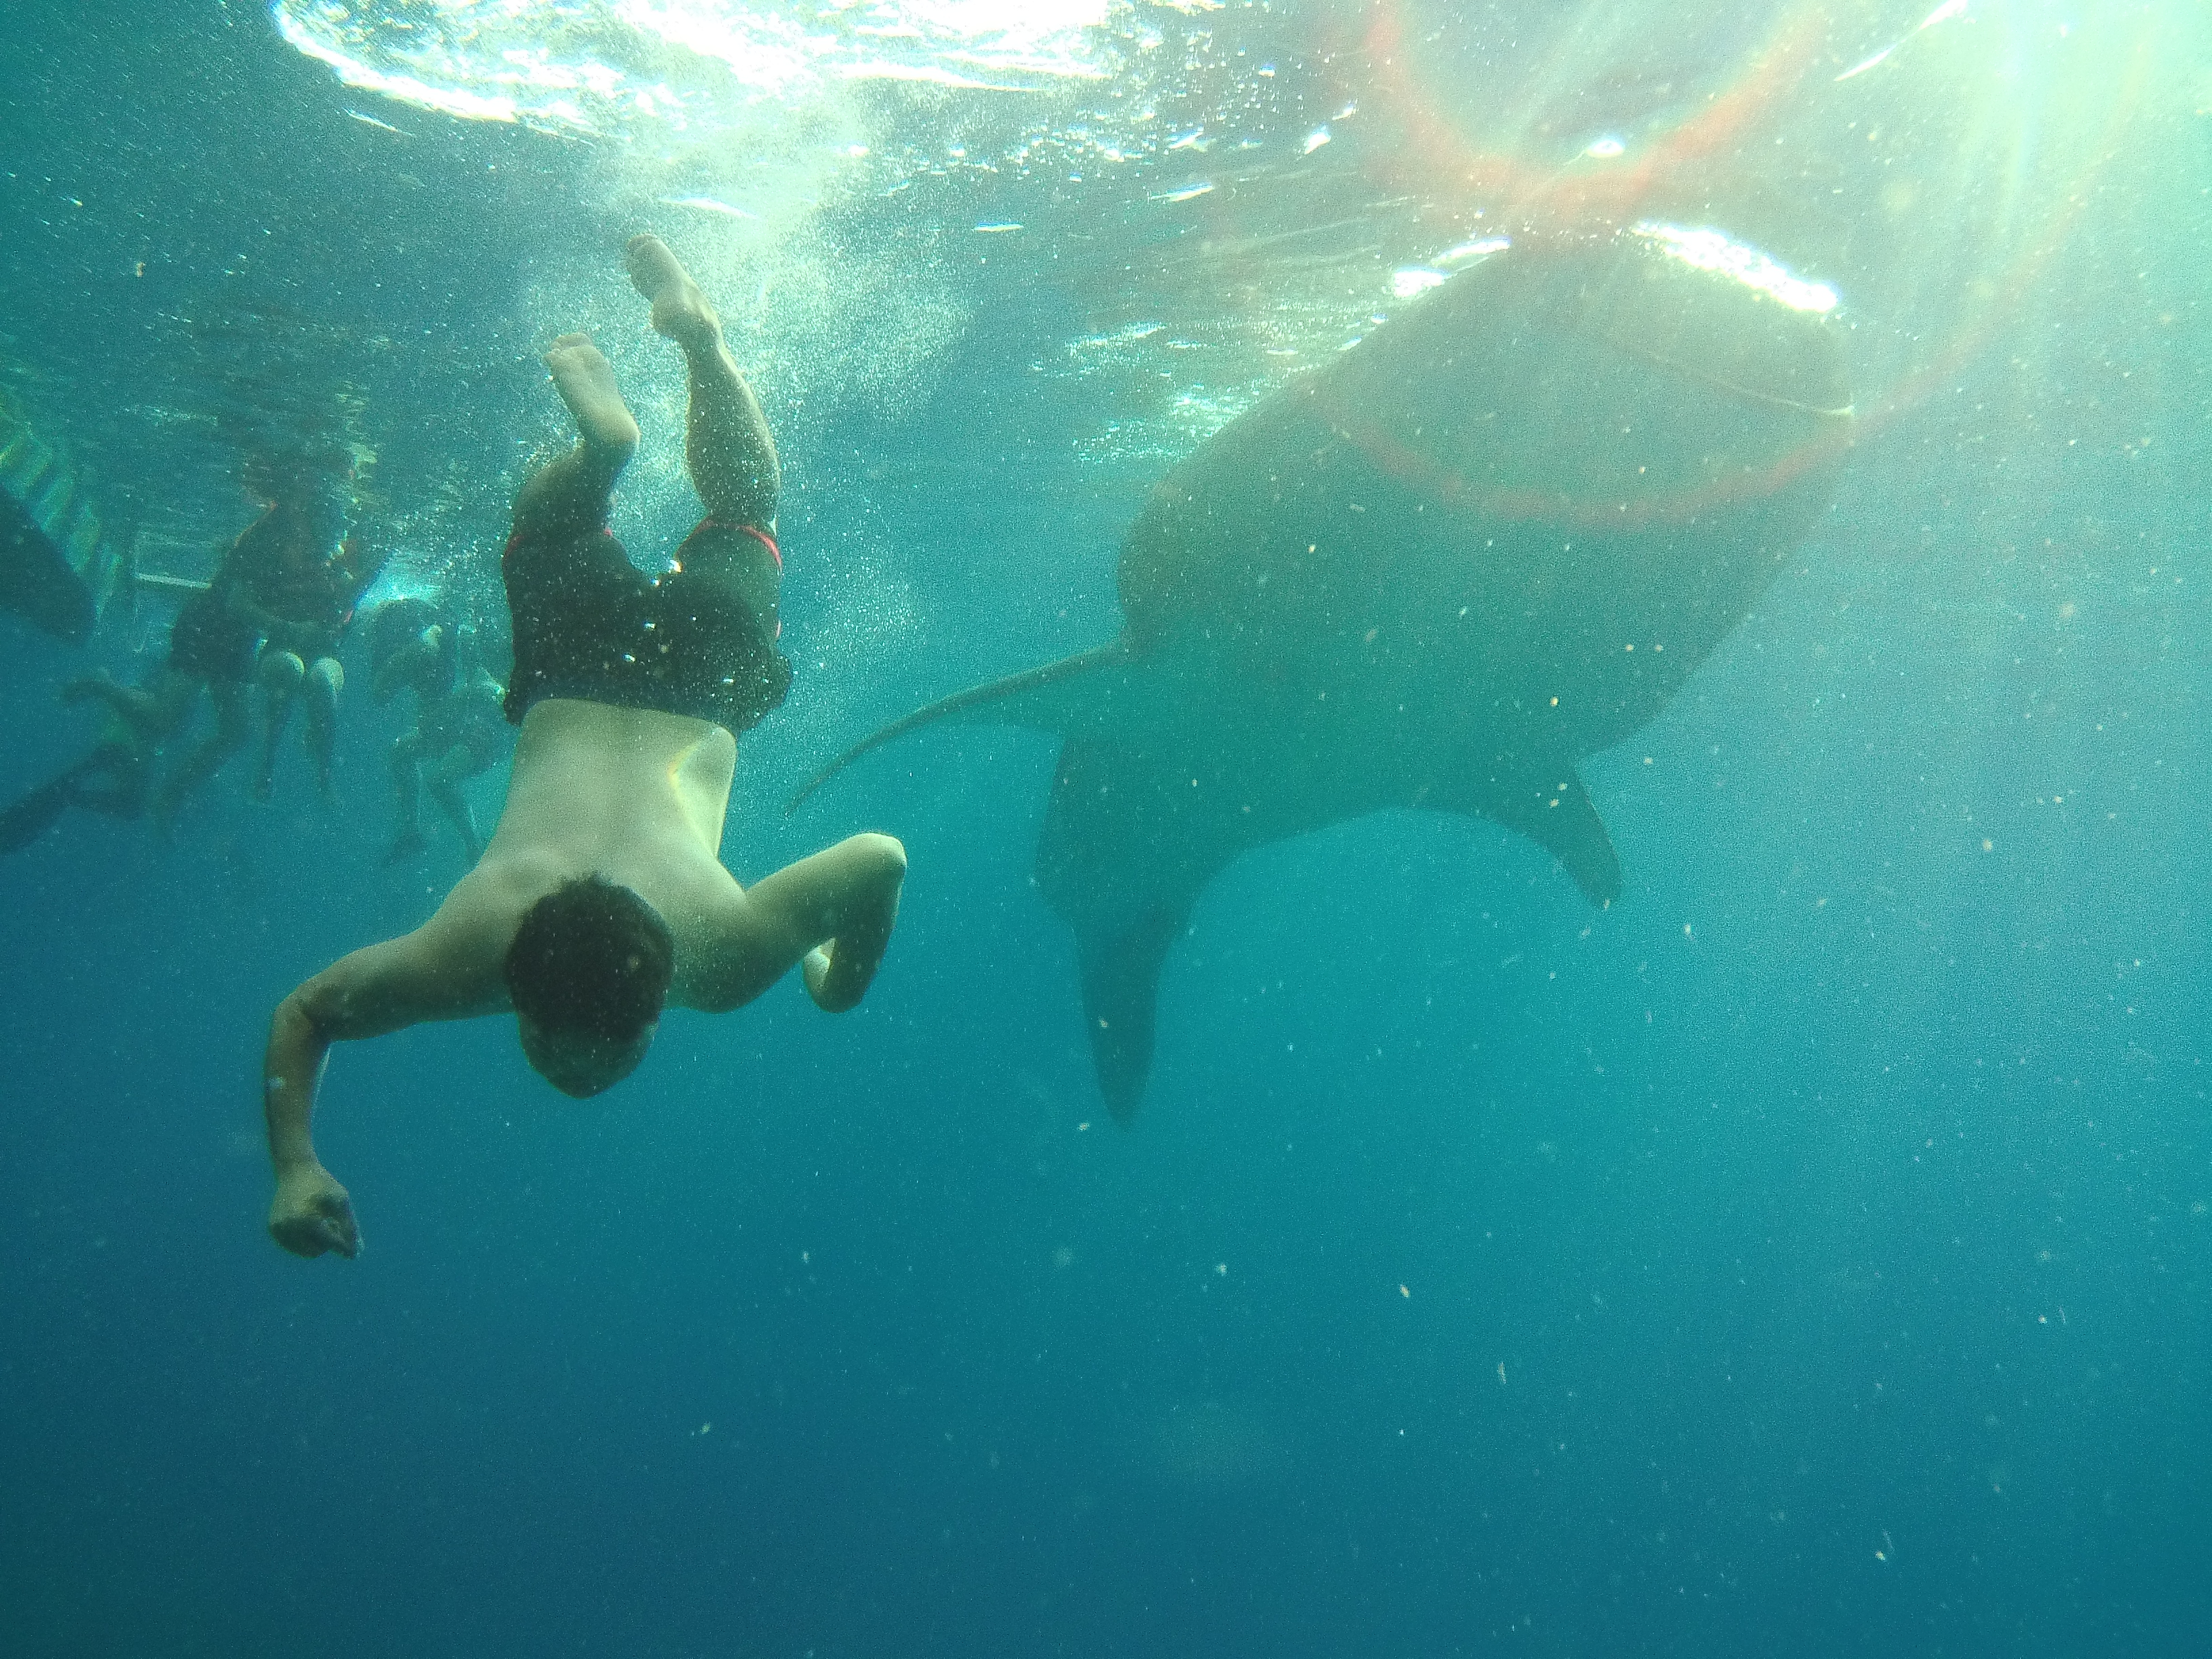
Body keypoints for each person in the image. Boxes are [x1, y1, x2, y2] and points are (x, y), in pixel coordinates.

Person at [260, 234, 906, 1260]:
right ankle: (599, 454)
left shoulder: (721, 958)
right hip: (573, 676)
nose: (576, 1076)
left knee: (745, 511)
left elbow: (879, 859)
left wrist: (840, 979)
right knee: (559, 526)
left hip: (703, 683)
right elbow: (305, 1011)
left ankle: (698, 343)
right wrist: (292, 1163)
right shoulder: (465, 957)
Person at [0, 554, 260, 854]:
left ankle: (62, 798)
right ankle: (100, 690)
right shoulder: (219, 606)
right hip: (136, 718)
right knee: (142, 755)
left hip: (143, 714)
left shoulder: (222, 599)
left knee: (130, 799)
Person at [368, 594, 508, 865]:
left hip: (483, 731)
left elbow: (488, 690)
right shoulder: (419, 647)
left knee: (439, 779)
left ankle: (474, 844)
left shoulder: (463, 638)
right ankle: (410, 829)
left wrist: (450, 708)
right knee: (400, 752)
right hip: (448, 729)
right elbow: (380, 694)